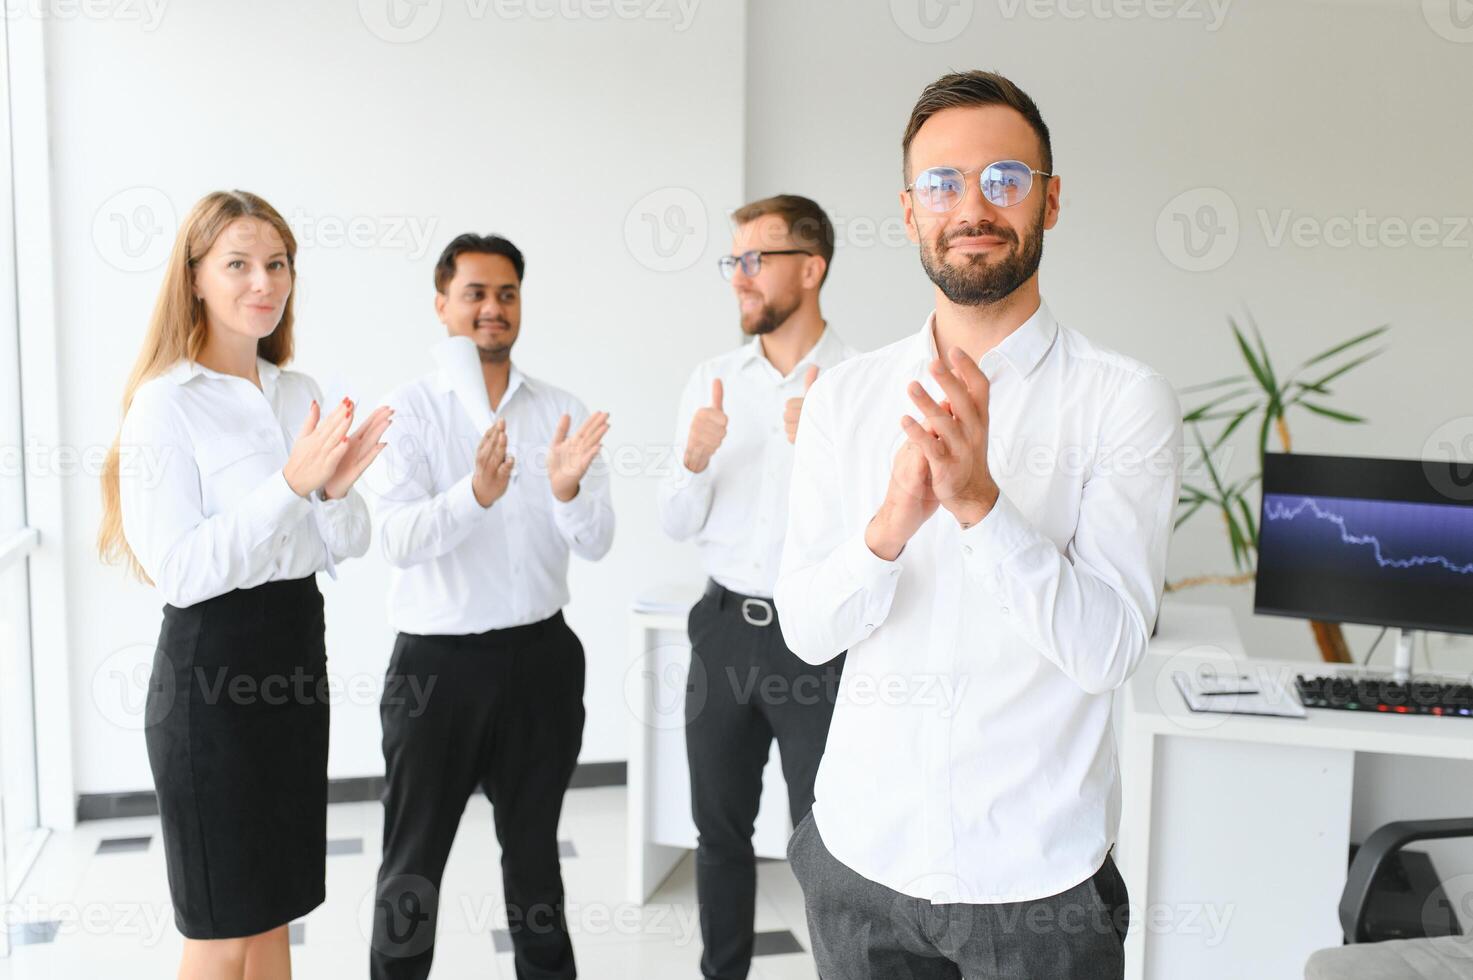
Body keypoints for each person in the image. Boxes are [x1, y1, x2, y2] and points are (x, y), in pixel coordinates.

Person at [775, 71, 1184, 979]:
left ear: (1050, 199)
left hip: (1035, 886)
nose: (973, 205)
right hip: (857, 863)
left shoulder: (1122, 400)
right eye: (942, 184)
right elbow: (805, 631)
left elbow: (1110, 648)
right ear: (908, 211)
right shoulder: (845, 395)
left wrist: (979, 508)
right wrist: (888, 526)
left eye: (1004, 178)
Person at [98, 189, 392, 979]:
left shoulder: (298, 394)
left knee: (272, 914)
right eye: (238, 264)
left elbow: (350, 542)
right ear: (194, 277)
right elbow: (181, 570)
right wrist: (291, 485)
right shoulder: (165, 406)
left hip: (296, 658)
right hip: (212, 676)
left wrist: (331, 492)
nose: (263, 281)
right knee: (223, 926)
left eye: (278, 263)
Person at [368, 233, 613, 980]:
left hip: (541, 659)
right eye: (474, 292)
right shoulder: (406, 414)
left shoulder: (561, 411)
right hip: (436, 669)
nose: (491, 307)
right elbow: (398, 540)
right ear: (441, 304)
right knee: (413, 863)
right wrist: (474, 495)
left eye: (506, 293)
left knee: (535, 857)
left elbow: (598, 542)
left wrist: (567, 490)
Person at [657, 195, 858, 980]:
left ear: (809, 270)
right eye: (732, 261)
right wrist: (693, 458)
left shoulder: (858, 382)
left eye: (755, 260)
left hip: (817, 638)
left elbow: (892, 532)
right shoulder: (712, 382)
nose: (738, 277)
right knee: (719, 830)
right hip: (723, 629)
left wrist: (828, 457)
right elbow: (675, 521)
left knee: (823, 838)